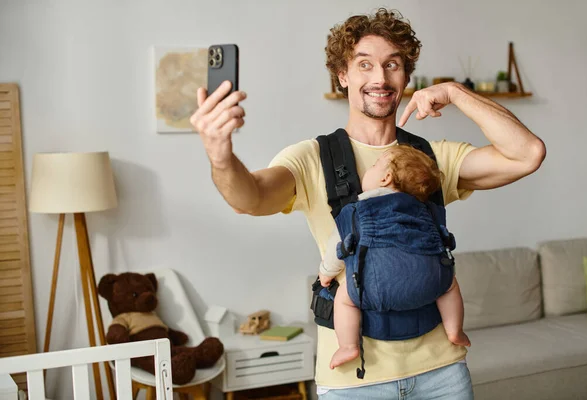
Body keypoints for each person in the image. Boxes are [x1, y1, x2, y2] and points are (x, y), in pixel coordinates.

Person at [190, 8, 545, 400]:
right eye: (364, 65)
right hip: (353, 383)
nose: (380, 77)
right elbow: (250, 198)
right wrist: (220, 156)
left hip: (442, 372)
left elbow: (527, 154)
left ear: (406, 76)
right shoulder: (313, 157)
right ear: (343, 76)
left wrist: (456, 93)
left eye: (392, 64)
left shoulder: (430, 157)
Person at [318, 145, 471, 371]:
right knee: (450, 287)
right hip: (431, 283)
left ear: (385, 177)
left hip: (375, 288)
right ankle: (454, 330)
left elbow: (338, 246)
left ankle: (348, 346)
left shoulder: (358, 208)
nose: (368, 170)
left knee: (344, 298)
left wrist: (326, 273)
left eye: (373, 166)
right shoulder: (425, 210)